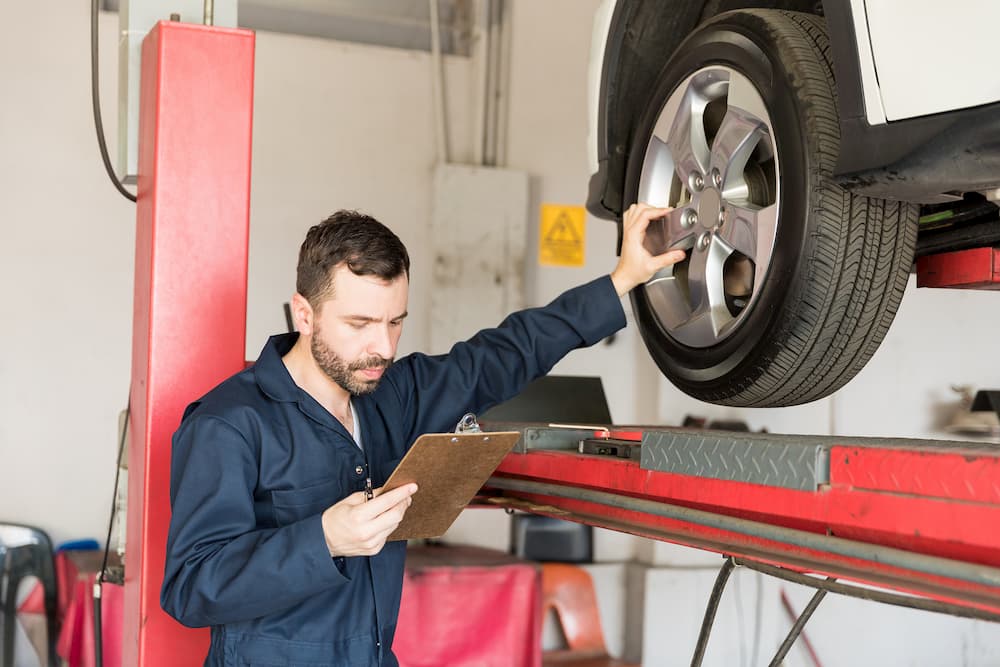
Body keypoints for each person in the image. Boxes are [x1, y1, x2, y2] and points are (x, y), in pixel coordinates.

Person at [160, 203, 685, 666]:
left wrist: (620, 280)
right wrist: (323, 539)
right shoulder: (228, 424)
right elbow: (190, 589)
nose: (383, 347)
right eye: (361, 323)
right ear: (305, 315)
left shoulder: (396, 393)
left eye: (395, 323)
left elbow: (505, 353)